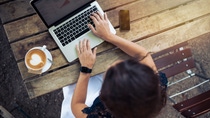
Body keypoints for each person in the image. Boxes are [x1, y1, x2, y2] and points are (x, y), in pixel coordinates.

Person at [62, 12, 167, 118]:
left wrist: (85, 69)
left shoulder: (100, 115)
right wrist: (110, 36)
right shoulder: (156, 88)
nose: (112, 64)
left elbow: (77, 105)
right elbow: (143, 56)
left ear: (105, 98)